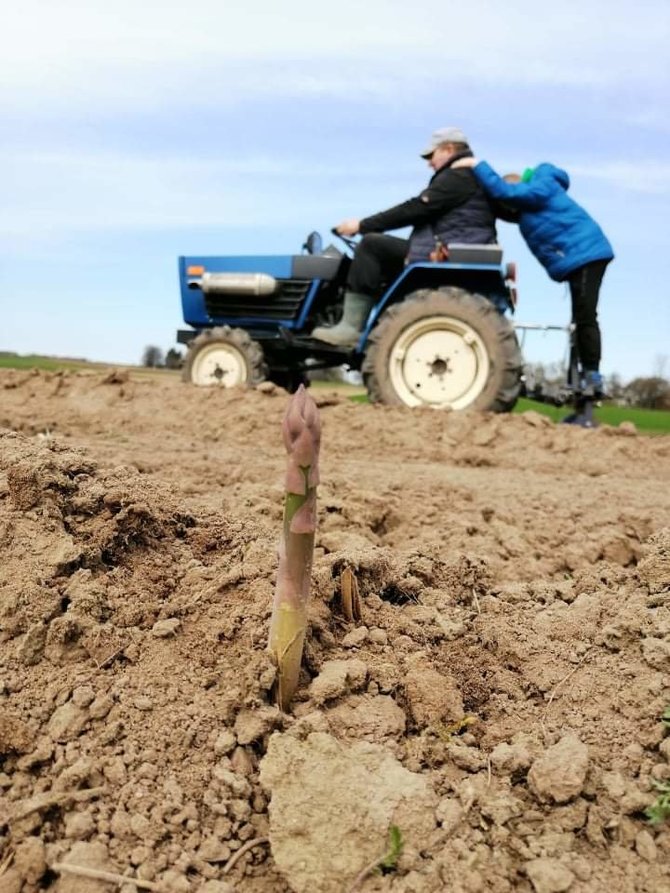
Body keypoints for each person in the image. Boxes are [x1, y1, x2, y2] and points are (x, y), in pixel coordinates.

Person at [311, 127, 498, 346]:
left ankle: (351, 327)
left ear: (448, 149)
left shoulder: (457, 176)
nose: (429, 162)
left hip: (443, 251)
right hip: (453, 244)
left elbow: (415, 209)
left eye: (431, 155)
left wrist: (362, 225)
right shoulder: (469, 175)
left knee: (371, 245)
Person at [454, 158, 614, 397]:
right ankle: (580, 378)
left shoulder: (541, 187)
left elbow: (503, 191)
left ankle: (592, 376)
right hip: (580, 257)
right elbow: (505, 208)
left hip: (586, 253)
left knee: (585, 316)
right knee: (579, 320)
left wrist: (476, 164)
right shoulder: (530, 207)